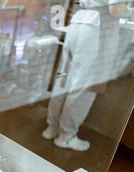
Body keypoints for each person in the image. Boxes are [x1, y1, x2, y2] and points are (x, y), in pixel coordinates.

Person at [43, 0, 133, 151]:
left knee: (64, 80)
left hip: (78, 23)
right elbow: (116, 10)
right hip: (96, 29)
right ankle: (66, 136)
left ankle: (51, 128)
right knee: (85, 87)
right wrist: (130, 11)